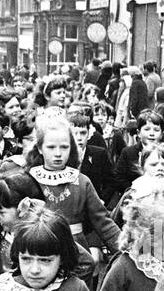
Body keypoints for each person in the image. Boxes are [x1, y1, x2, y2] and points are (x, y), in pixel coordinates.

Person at [26, 111, 121, 270]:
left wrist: (126, 250)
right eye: (51, 147)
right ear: (40, 148)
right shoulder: (28, 179)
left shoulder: (82, 181)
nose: (58, 153)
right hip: (38, 249)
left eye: (64, 147)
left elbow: (103, 221)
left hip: (76, 250)